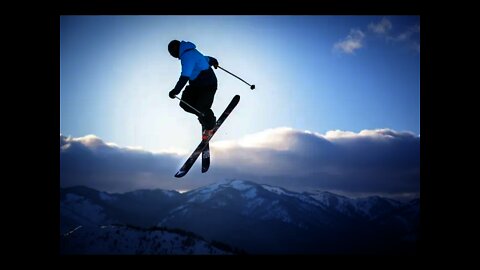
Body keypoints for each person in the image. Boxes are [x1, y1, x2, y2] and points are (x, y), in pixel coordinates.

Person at [168, 40, 219, 140]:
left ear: (175, 50)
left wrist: (175, 91)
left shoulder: (187, 56)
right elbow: (205, 59)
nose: (173, 56)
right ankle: (203, 117)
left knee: (201, 107)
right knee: (185, 103)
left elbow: (185, 76)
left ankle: (210, 125)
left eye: (172, 53)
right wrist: (214, 61)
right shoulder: (191, 52)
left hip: (208, 85)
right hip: (196, 86)